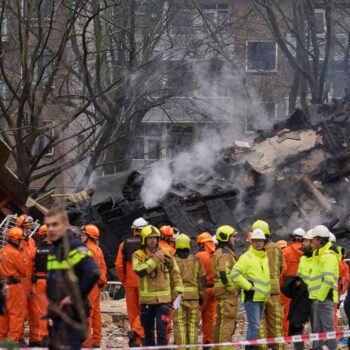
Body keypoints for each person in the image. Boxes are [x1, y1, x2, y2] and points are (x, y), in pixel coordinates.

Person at [45, 206, 100, 349]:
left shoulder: (76, 247)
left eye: (55, 224)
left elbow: (93, 272)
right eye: (48, 225)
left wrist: (73, 297)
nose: (50, 229)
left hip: (72, 317)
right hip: (57, 317)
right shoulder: (54, 250)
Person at [132, 225, 183, 346]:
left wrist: (179, 292)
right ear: (144, 239)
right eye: (150, 238)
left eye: (155, 238)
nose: (153, 240)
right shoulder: (138, 255)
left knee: (162, 331)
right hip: (147, 301)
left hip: (164, 301)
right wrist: (155, 259)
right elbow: (139, 270)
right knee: (148, 333)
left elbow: (175, 273)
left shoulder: (167, 254)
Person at [231, 229, 271, 349]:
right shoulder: (246, 257)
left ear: (264, 242)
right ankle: (250, 348)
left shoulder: (264, 257)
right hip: (252, 297)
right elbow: (234, 273)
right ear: (251, 242)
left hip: (261, 297)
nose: (258, 243)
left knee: (255, 326)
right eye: (255, 241)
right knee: (254, 326)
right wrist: (249, 287)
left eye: (260, 241)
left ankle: (253, 347)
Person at [115, 217, 148, 346]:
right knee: (144, 311)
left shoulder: (124, 244)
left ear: (133, 230)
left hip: (130, 282)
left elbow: (118, 265)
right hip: (145, 283)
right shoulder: (148, 244)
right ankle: (139, 334)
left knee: (133, 312)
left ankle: (135, 340)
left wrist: (124, 280)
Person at [252, 220, 284, 350]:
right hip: (274, 292)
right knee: (275, 323)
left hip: (259, 292)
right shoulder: (277, 248)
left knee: (258, 323)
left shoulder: (254, 249)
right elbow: (281, 268)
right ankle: (278, 346)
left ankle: (262, 347)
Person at [308, 225, 339, 350]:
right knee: (317, 329)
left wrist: (320, 298)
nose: (311, 242)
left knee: (329, 329)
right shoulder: (319, 255)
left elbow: (328, 280)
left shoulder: (328, 257)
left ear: (320, 240)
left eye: (313, 239)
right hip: (319, 298)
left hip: (324, 299)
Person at [282, 229, 314, 350]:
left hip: (292, 289)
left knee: (290, 317)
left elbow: (282, 270)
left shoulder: (285, 252)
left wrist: (285, 285)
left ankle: (286, 338)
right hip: (312, 292)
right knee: (316, 323)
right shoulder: (308, 255)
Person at [173, 233, 205, 348]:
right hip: (194, 298)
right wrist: (201, 296)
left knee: (179, 324)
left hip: (178, 299)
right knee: (192, 326)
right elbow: (202, 280)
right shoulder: (196, 260)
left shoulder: (173, 261)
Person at [212, 225, 240, 347]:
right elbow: (224, 272)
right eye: (232, 236)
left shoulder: (220, 252)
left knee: (220, 321)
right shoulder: (225, 254)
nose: (234, 239)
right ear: (226, 237)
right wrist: (232, 289)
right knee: (228, 321)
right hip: (227, 293)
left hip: (222, 293)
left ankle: (217, 347)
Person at [81, 224, 107, 348]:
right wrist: (101, 282)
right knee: (96, 314)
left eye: (83, 234)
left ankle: (86, 343)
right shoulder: (98, 249)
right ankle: (96, 341)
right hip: (96, 285)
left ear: (89, 236)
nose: (81, 236)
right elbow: (102, 268)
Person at [0, 227, 27, 343]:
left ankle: (1, 341)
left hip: (2, 286)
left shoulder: (2, 251)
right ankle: (12, 342)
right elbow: (24, 271)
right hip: (14, 287)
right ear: (17, 240)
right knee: (16, 314)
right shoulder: (15, 253)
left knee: (3, 314)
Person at [29, 224, 52, 346]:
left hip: (40, 282)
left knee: (42, 311)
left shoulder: (36, 250)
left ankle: (44, 337)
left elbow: (30, 266)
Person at [281, 227, 305, 335]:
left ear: (293, 237)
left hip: (287, 284)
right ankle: (297, 335)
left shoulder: (285, 251)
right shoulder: (307, 252)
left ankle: (286, 334)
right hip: (303, 284)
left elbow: (282, 270)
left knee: (286, 310)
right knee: (299, 310)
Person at [17, 215, 37, 344]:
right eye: (27, 227)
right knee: (19, 311)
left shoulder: (31, 242)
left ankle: (35, 339)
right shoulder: (15, 243)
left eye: (30, 227)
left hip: (31, 281)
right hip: (19, 282)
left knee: (34, 310)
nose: (29, 230)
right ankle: (18, 338)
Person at [196, 232, 217, 344]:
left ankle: (190, 342)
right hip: (214, 290)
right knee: (210, 319)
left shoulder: (199, 256)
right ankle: (208, 342)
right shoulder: (217, 255)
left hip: (203, 290)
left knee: (196, 317)